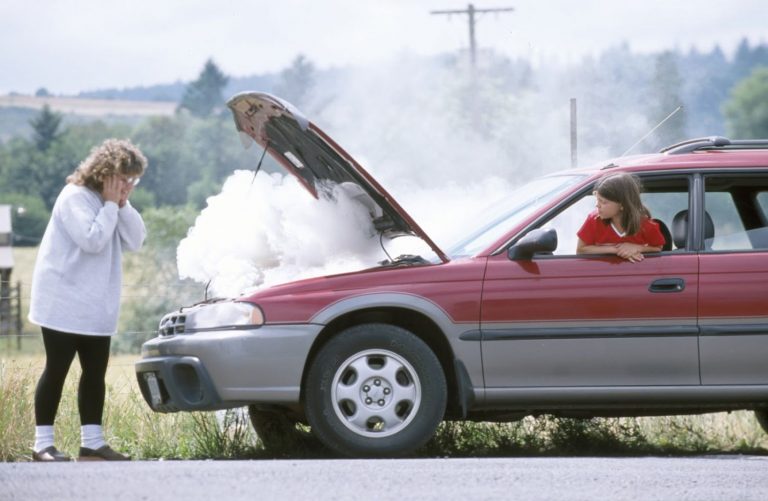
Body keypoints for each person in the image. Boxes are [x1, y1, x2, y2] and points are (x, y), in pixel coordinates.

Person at [29, 138, 147, 462]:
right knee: (57, 370)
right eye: (125, 178)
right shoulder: (74, 197)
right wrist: (110, 205)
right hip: (63, 301)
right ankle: (42, 445)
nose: (128, 185)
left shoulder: (112, 203)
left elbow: (136, 240)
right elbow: (92, 240)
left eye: (133, 181)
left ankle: (92, 443)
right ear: (106, 173)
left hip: (97, 305)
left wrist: (121, 205)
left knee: (95, 373)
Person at [576, 172, 665, 262]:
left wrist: (637, 248)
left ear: (622, 205)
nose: (597, 205)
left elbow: (658, 247)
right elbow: (580, 250)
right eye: (597, 199)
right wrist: (617, 250)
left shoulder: (645, 224)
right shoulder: (594, 220)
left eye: (603, 202)